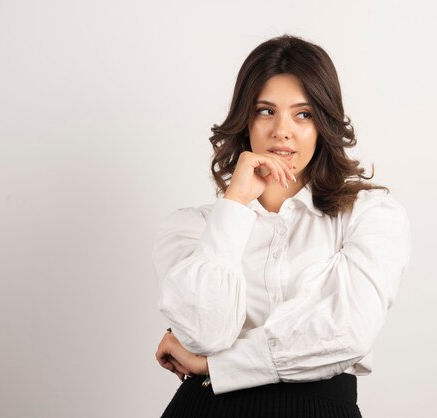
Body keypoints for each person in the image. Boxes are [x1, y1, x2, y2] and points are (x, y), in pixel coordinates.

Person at [152, 34, 411, 418]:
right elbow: (206, 332)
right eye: (265, 111)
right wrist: (235, 204)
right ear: (245, 120)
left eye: (303, 114)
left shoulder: (369, 216)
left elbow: (346, 334)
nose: (282, 131)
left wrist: (216, 366)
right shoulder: (193, 227)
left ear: (324, 123)